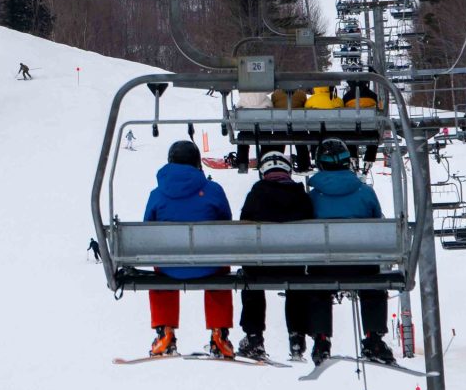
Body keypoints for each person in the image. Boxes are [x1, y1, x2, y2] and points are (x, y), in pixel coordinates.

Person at [142, 141, 235, 358]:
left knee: (160, 266)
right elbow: (226, 221)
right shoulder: (213, 190)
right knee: (220, 269)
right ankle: (219, 334)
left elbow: (147, 229)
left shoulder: (157, 194)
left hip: (170, 268)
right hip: (209, 266)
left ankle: (165, 332)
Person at [308, 138, 396, 364]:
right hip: (362, 265)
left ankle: (321, 338)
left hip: (324, 266)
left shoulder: (313, 198)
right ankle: (373, 337)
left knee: (317, 289)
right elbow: (376, 222)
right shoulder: (365, 193)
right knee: (373, 285)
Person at [236, 151, 320, 362]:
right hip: (293, 265)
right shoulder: (301, 196)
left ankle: (254, 337)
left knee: (250, 280)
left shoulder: (256, 194)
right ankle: (297, 337)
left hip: (260, 264)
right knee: (297, 283)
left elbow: (244, 224)